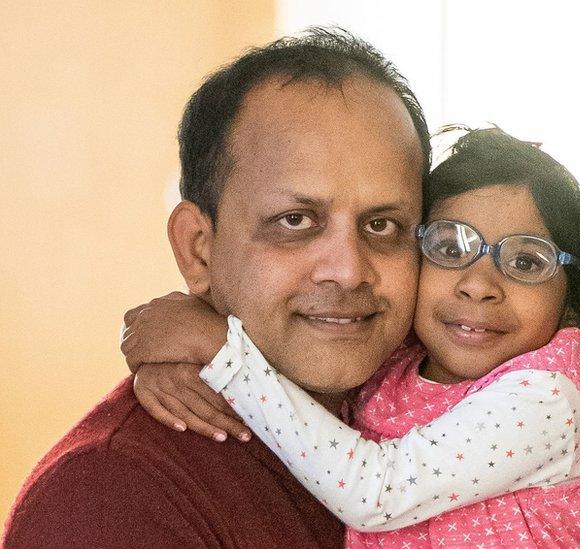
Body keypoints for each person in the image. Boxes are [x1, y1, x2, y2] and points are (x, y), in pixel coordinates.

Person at [2, 27, 431, 548]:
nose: (348, 271)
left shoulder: (449, 422)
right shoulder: (116, 493)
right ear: (197, 248)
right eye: (295, 221)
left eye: (383, 226)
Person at [120, 128, 580, 547]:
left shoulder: (546, 401)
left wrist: (218, 350)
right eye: (449, 247)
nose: (479, 285)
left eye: (525, 262)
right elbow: (295, 403)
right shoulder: (399, 361)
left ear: (573, 299)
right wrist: (178, 362)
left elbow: (374, 491)